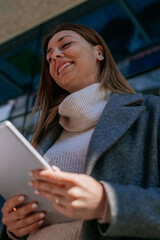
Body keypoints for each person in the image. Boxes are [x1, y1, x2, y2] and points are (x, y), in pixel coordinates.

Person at [0, 23, 160, 240]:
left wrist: (105, 202)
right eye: (48, 58)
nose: (55, 56)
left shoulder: (152, 112)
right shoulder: (42, 139)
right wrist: (14, 230)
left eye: (65, 44)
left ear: (99, 52)